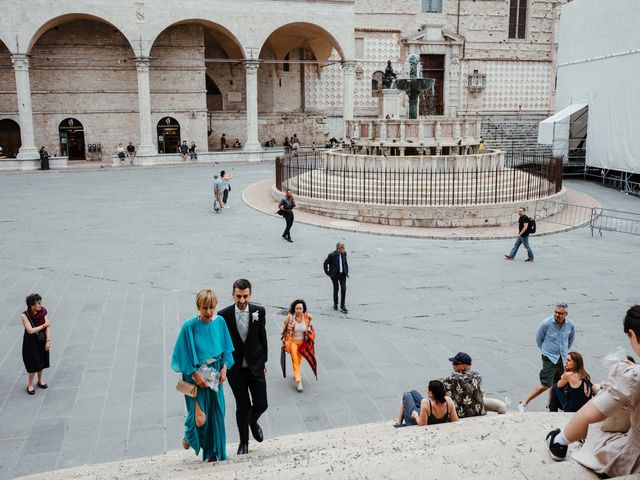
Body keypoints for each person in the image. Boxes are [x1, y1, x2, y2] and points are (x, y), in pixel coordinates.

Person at [546, 305, 640, 476]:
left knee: (598, 419)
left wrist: (626, 376)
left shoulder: (633, 376)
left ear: (633, 334)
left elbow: (591, 416)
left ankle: (558, 442)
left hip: (634, 458)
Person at [171, 289, 234, 462]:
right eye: (204, 308)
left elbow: (227, 351)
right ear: (198, 307)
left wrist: (224, 369)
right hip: (195, 373)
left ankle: (214, 453)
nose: (208, 312)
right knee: (200, 419)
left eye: (211, 307)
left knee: (217, 414)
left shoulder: (220, 322)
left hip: (215, 372)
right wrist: (195, 374)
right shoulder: (189, 326)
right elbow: (181, 355)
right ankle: (190, 432)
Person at [218, 279, 268, 455]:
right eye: (238, 296)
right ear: (232, 294)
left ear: (250, 294)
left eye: (245, 296)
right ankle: (243, 442)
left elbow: (263, 338)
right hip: (235, 369)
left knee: (262, 404)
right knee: (242, 406)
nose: (241, 300)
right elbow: (222, 343)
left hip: (255, 366)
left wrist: (264, 362)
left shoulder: (259, 311)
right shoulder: (223, 315)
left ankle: (252, 422)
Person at [518, 303, 575, 412]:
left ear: (566, 314)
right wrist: (546, 351)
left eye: (560, 313)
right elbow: (539, 339)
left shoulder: (570, 325)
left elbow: (570, 340)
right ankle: (523, 402)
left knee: (557, 383)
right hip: (549, 357)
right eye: (556, 312)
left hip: (562, 358)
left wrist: (564, 352)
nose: (557, 315)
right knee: (545, 384)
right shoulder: (546, 323)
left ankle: (550, 404)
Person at [442, 352, 507, 417]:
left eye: (455, 364)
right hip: (479, 412)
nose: (453, 365)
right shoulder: (477, 375)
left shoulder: (452, 379)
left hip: (461, 414)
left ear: (464, 366)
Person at [281, 299, 314, 392]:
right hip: (293, 342)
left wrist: (308, 330)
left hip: (302, 343)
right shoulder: (289, 318)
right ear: (294, 309)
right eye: (297, 308)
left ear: (303, 309)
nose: (299, 310)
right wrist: (283, 340)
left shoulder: (307, 317)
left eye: (300, 308)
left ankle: (296, 373)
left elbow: (310, 327)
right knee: (295, 360)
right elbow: (284, 330)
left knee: (299, 360)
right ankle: (298, 381)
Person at [21, 293, 51, 395]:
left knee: (42, 361)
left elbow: (48, 327)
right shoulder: (24, 315)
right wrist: (44, 325)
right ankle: (30, 384)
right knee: (33, 364)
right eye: (38, 303)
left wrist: (48, 340)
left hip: (42, 340)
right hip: (31, 342)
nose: (40, 305)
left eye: (40, 302)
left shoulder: (43, 311)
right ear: (32, 305)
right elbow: (30, 330)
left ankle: (40, 380)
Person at [323, 242, 349, 313]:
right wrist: (327, 272)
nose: (344, 249)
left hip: (343, 274)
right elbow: (325, 263)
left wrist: (346, 270)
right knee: (336, 288)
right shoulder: (331, 255)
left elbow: (345, 262)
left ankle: (342, 305)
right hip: (335, 275)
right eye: (343, 248)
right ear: (338, 248)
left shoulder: (344, 253)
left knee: (343, 288)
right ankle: (335, 303)